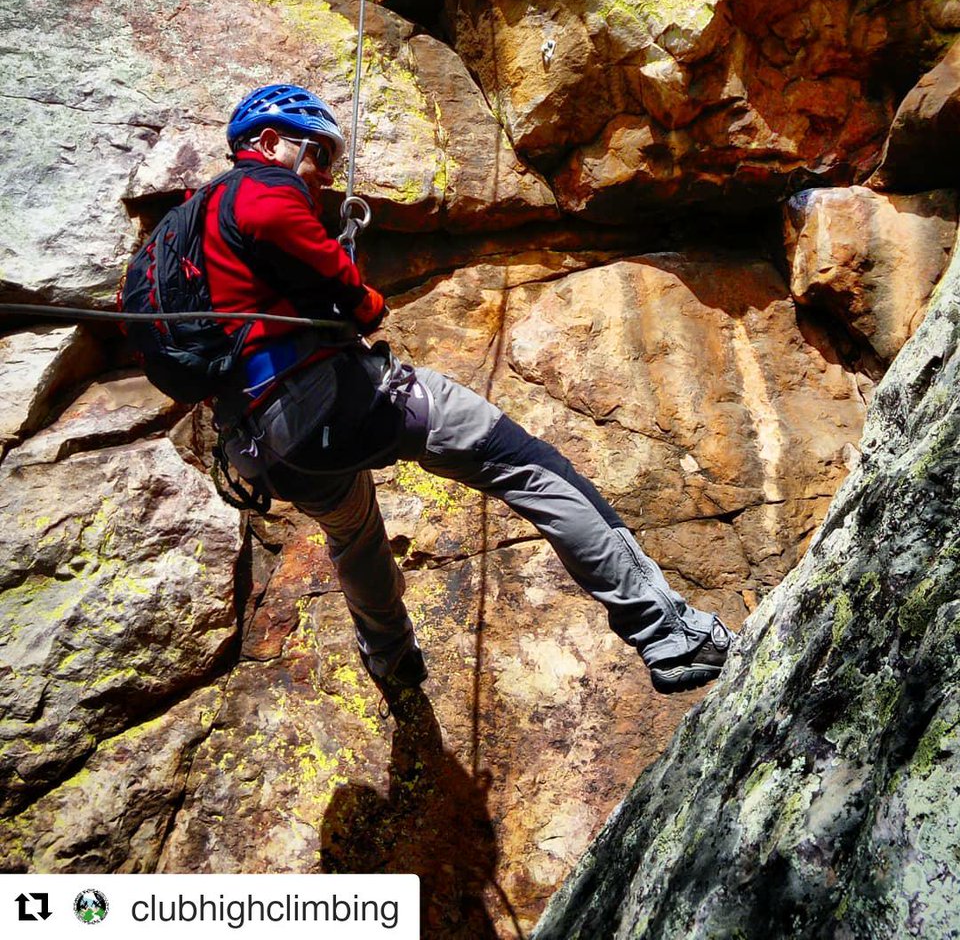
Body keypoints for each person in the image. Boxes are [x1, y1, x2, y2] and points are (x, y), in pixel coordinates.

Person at [209, 84, 735, 704]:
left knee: (353, 534)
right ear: (269, 142)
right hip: (332, 403)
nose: (324, 177)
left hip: (261, 445)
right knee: (529, 465)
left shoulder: (179, 236)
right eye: (319, 156)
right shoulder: (256, 189)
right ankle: (670, 636)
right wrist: (358, 297)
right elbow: (307, 251)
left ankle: (390, 657)